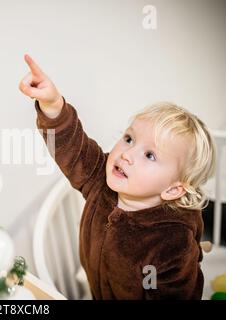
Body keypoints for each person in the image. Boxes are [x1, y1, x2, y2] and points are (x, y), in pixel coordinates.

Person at [19, 54, 217, 299]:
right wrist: (53, 106)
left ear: (173, 190)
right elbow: (74, 149)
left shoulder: (172, 242)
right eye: (129, 139)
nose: (127, 154)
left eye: (150, 155)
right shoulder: (100, 180)